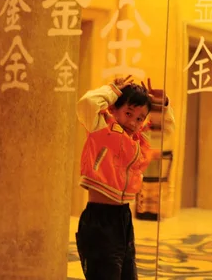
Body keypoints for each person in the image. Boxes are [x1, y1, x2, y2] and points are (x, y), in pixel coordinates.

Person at [75, 75, 175, 279]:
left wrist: (162, 105)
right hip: (99, 219)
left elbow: (167, 132)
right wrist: (114, 90)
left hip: (124, 219)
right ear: (113, 108)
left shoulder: (138, 140)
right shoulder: (101, 127)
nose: (133, 122)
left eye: (139, 118)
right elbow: (87, 103)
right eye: (128, 113)